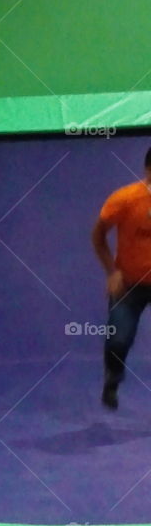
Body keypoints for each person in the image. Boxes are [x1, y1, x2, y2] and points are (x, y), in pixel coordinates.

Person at [91, 147, 151, 410]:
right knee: (117, 340)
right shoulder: (124, 200)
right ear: (148, 171)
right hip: (129, 284)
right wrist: (112, 272)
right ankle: (113, 377)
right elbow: (98, 235)